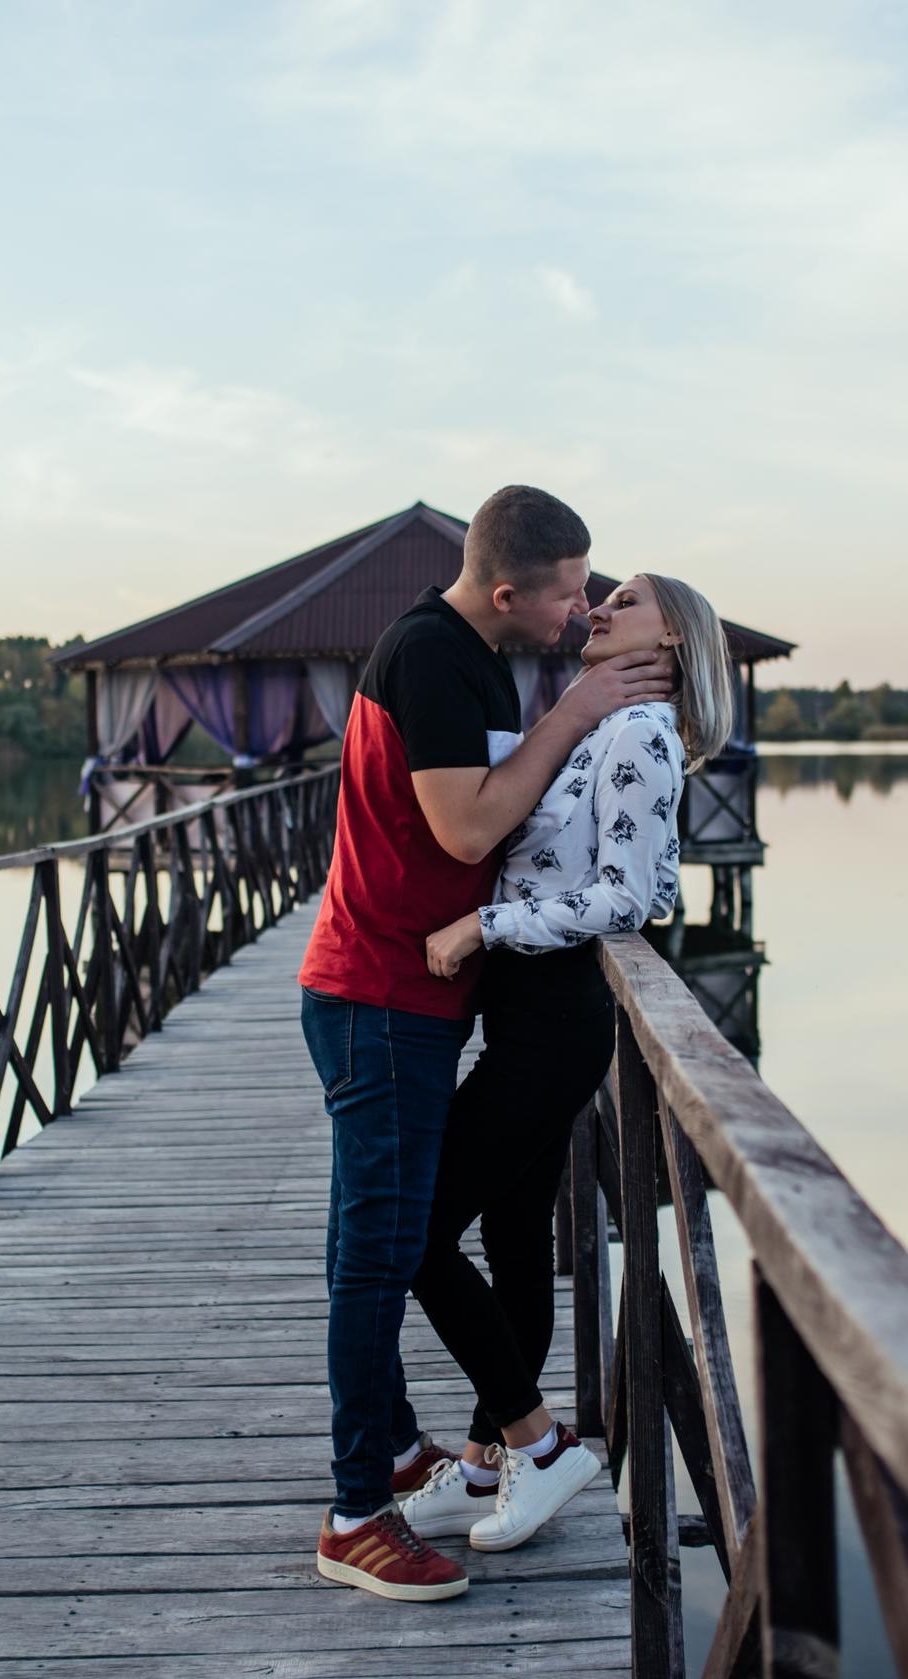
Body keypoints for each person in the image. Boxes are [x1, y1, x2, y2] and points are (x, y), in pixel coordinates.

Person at [299, 486, 672, 1602]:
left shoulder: (469, 656)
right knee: (381, 1253)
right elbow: (468, 824)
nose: (582, 609)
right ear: (507, 591)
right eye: (569, 593)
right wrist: (579, 708)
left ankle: (417, 1453)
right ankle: (357, 1512)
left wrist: (588, 708)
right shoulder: (434, 654)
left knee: (387, 1242)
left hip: (406, 996)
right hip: (381, 994)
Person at [399, 572, 738, 1554]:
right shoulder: (604, 725)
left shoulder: (638, 735)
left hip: (553, 1024)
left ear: (672, 634)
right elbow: (658, 873)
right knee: (509, 1247)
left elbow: (628, 902)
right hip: (530, 1018)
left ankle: (539, 1450)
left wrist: (482, 922)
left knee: (417, 1232)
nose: (597, 605)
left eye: (624, 600)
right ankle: (478, 1468)